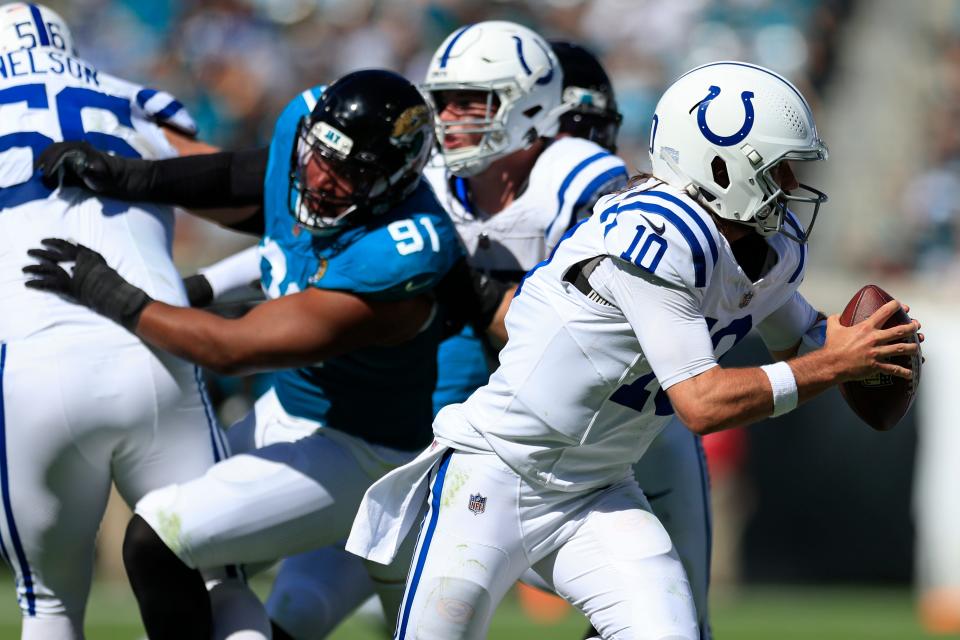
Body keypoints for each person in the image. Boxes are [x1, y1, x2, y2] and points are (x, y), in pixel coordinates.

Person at [346, 61, 922, 639]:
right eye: (777, 168)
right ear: (719, 165)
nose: (792, 185)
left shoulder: (766, 249)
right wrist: (834, 362)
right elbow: (702, 404)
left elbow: (807, 338)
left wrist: (873, 348)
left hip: (596, 491)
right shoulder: (657, 233)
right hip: (492, 474)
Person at [26, 68, 464, 640]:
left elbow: (233, 349)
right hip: (294, 411)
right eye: (318, 156)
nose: (320, 177)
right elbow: (244, 176)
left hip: (365, 454)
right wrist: (133, 179)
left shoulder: (402, 253)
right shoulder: (309, 140)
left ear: (395, 181)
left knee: (159, 538)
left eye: (347, 172)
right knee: (220, 581)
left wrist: (114, 295)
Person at [0, 3, 268, 639]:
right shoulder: (129, 99)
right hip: (157, 348)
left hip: (32, 366)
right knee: (220, 583)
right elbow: (247, 200)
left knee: (51, 606)